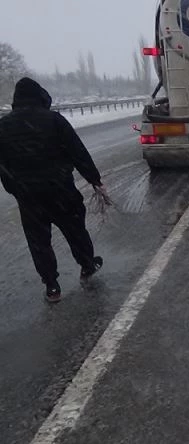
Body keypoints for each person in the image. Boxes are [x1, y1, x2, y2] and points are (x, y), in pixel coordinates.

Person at [0, 77, 105, 303]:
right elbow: (78, 152)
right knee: (75, 228)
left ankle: (51, 285)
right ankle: (87, 264)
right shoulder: (54, 121)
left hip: (28, 195)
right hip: (60, 189)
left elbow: (2, 164)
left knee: (38, 240)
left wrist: (14, 187)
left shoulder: (3, 126)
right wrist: (94, 179)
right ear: (40, 96)